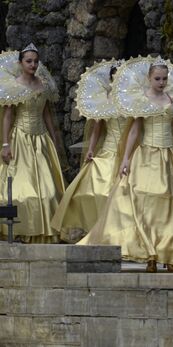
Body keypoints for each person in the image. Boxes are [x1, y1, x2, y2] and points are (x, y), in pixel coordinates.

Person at [78, 56, 173, 272]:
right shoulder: (142, 100)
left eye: (164, 79)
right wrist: (126, 158)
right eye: (157, 78)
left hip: (168, 156)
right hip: (146, 156)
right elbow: (134, 130)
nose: (162, 82)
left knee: (172, 205)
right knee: (146, 203)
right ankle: (151, 254)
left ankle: (170, 255)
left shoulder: (171, 100)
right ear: (149, 78)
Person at [51, 60, 127, 243]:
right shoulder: (105, 101)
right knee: (94, 191)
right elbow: (97, 129)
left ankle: (120, 233)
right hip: (108, 149)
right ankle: (98, 229)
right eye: (115, 78)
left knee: (121, 193)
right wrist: (91, 149)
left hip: (128, 150)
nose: (118, 81)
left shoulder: (133, 101)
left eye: (122, 78)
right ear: (110, 80)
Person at [0, 43, 65, 243]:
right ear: (21, 63)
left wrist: (53, 139)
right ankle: (21, 229)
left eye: (36, 61)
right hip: (20, 139)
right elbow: (8, 117)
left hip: (41, 139)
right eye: (29, 61)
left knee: (49, 191)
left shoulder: (43, 84)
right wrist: (5, 144)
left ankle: (44, 230)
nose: (33, 64)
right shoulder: (14, 86)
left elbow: (46, 113)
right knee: (22, 190)